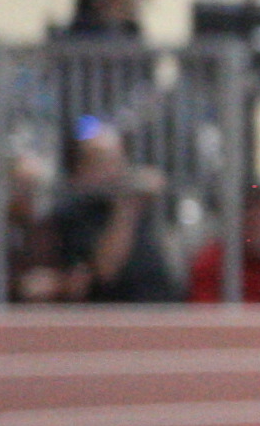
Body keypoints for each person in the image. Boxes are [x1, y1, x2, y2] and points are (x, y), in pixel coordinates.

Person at [44, 118, 179, 303]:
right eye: (102, 161)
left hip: (161, 311)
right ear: (79, 169)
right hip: (113, 315)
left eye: (117, 159)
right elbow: (104, 271)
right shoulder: (73, 214)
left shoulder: (138, 199)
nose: (114, 170)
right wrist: (124, 210)